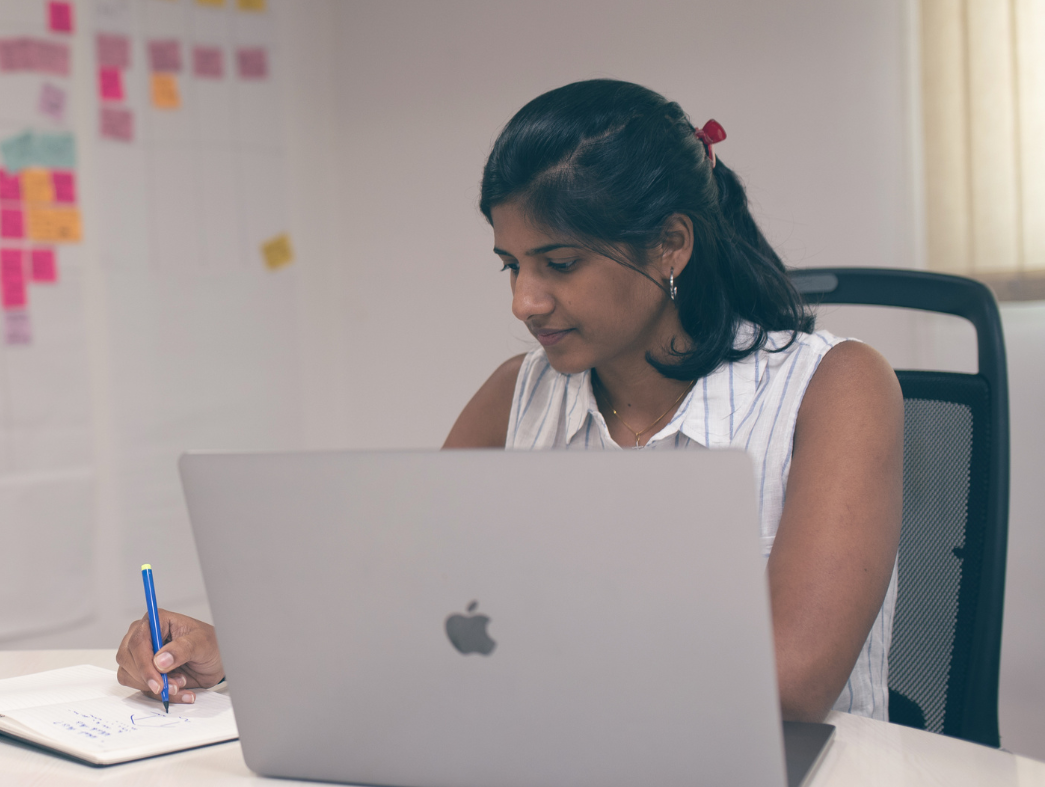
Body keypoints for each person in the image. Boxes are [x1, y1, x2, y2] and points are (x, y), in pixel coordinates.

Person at [114, 79, 903, 723]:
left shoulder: (835, 389)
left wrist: (520, 651)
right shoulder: (514, 394)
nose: (526, 302)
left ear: (670, 244)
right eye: (510, 266)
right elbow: (408, 610)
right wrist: (238, 650)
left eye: (558, 263)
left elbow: (793, 683)